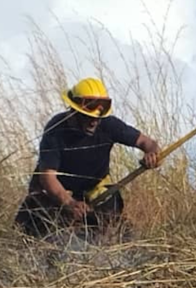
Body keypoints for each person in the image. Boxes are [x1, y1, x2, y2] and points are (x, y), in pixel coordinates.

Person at [14, 77, 161, 242]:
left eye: (98, 118)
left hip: (94, 190)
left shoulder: (109, 125)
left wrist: (152, 154)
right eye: (88, 116)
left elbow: (147, 143)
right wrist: (69, 203)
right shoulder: (55, 130)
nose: (94, 122)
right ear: (73, 111)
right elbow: (48, 176)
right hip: (55, 193)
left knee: (115, 235)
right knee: (31, 236)